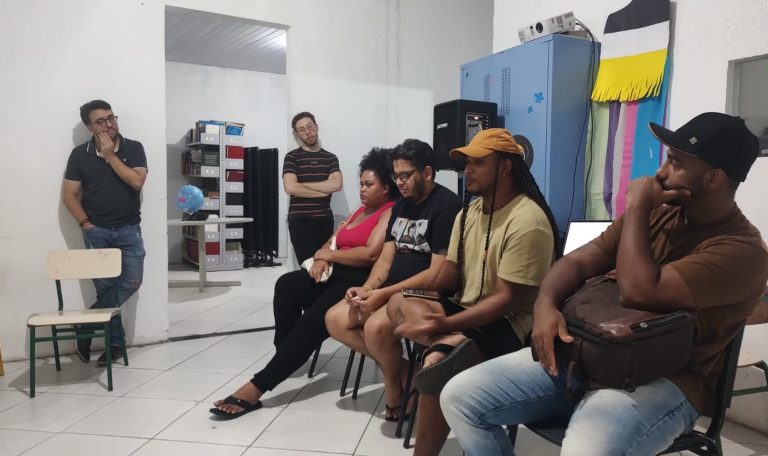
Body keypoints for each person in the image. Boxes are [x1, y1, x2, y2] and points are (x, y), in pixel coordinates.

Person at [441, 112, 768, 456]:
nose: (661, 172)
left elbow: (640, 290)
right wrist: (545, 305)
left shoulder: (742, 251)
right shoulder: (661, 213)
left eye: (676, 162)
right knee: (460, 397)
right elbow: (578, 260)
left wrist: (637, 206)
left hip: (665, 379)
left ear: (715, 178)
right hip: (591, 354)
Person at [386, 128, 559, 456]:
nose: (468, 170)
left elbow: (507, 300)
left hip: (510, 327)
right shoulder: (469, 213)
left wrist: (443, 324)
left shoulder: (528, 220)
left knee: (435, 364)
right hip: (469, 312)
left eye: (478, 163)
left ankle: (446, 346)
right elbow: (449, 277)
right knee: (398, 301)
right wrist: (423, 289)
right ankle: (450, 341)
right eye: (466, 163)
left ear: (504, 167)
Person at [210, 148, 399, 419]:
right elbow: (334, 239)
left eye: (369, 185)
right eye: (361, 184)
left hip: (356, 279)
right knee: (286, 285)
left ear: (386, 188)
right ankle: (286, 354)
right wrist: (321, 257)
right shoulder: (360, 210)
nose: (362, 189)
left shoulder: (388, 212)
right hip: (333, 272)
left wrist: (327, 255)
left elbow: (370, 253)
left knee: (311, 321)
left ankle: (257, 387)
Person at [325, 139, 462, 421]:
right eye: (396, 175)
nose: (399, 182)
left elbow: (436, 275)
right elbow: (385, 260)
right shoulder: (401, 206)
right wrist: (367, 288)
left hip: (422, 293)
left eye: (405, 175)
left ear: (427, 173)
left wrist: (384, 294)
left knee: (375, 329)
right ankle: (408, 372)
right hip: (391, 290)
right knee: (334, 319)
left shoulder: (447, 206)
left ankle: (393, 390)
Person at [62, 100, 148, 366]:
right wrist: (86, 224)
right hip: (97, 231)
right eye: (100, 121)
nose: (109, 124)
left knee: (131, 282)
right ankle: (114, 345)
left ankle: (85, 326)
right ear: (89, 127)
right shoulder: (80, 155)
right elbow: (69, 195)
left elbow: (136, 181)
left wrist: (110, 155)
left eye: (111, 118)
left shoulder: (134, 148)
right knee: (105, 289)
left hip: (129, 229)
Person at [283, 111, 343, 263]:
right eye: (302, 130)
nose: (307, 132)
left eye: (310, 127)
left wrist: (301, 185)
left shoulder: (330, 158)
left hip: (324, 219)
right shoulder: (291, 157)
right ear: (297, 134)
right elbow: (290, 187)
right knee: (308, 265)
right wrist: (323, 191)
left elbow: (337, 184)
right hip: (299, 220)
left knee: (325, 264)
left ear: (316, 127)